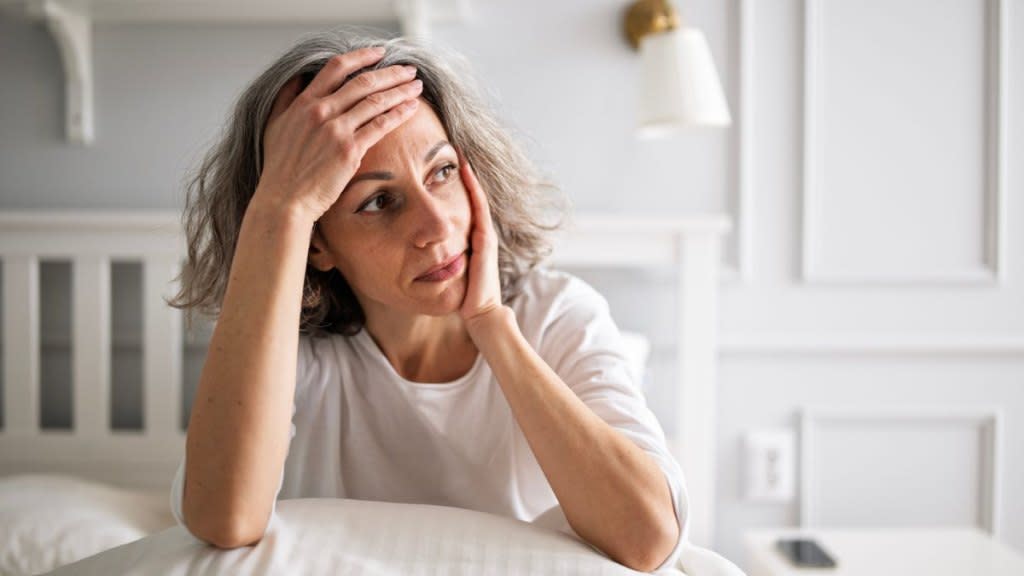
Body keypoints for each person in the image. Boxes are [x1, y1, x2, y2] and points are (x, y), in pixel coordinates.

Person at [168, 28, 689, 573]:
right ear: (317, 243)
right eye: (379, 201)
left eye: (442, 172)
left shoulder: (557, 315)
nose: (436, 225)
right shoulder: (290, 351)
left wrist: (490, 323)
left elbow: (648, 537)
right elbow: (224, 519)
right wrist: (281, 207)